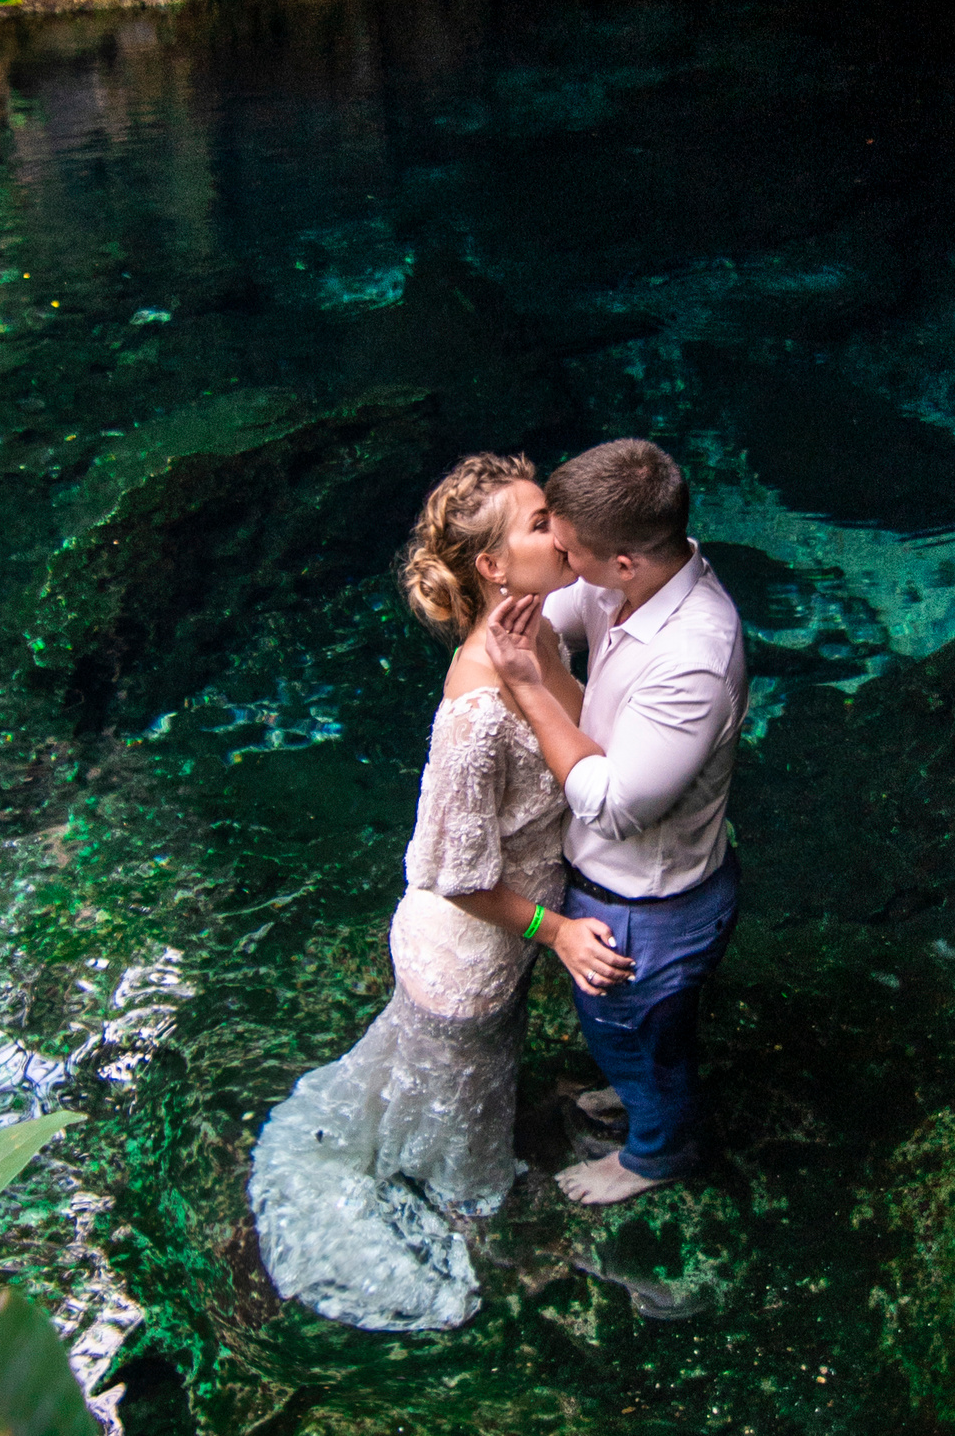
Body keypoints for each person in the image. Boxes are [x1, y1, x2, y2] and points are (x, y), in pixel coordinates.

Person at [246, 453, 632, 1331]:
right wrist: (560, 931)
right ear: (492, 566)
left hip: (509, 940)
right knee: (469, 1121)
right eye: (542, 522)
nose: (562, 528)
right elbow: (450, 877)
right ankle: (472, 1215)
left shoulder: (536, 627)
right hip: (467, 957)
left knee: (465, 1085)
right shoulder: (472, 707)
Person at [485, 436, 747, 1209]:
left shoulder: (694, 659)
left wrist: (531, 690)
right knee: (643, 1036)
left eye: (567, 551)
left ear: (624, 561)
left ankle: (656, 1154)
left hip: (652, 902)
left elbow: (615, 806)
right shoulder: (624, 580)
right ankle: (641, 1090)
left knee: (629, 1029)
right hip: (628, 881)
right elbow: (553, 613)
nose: (559, 561)